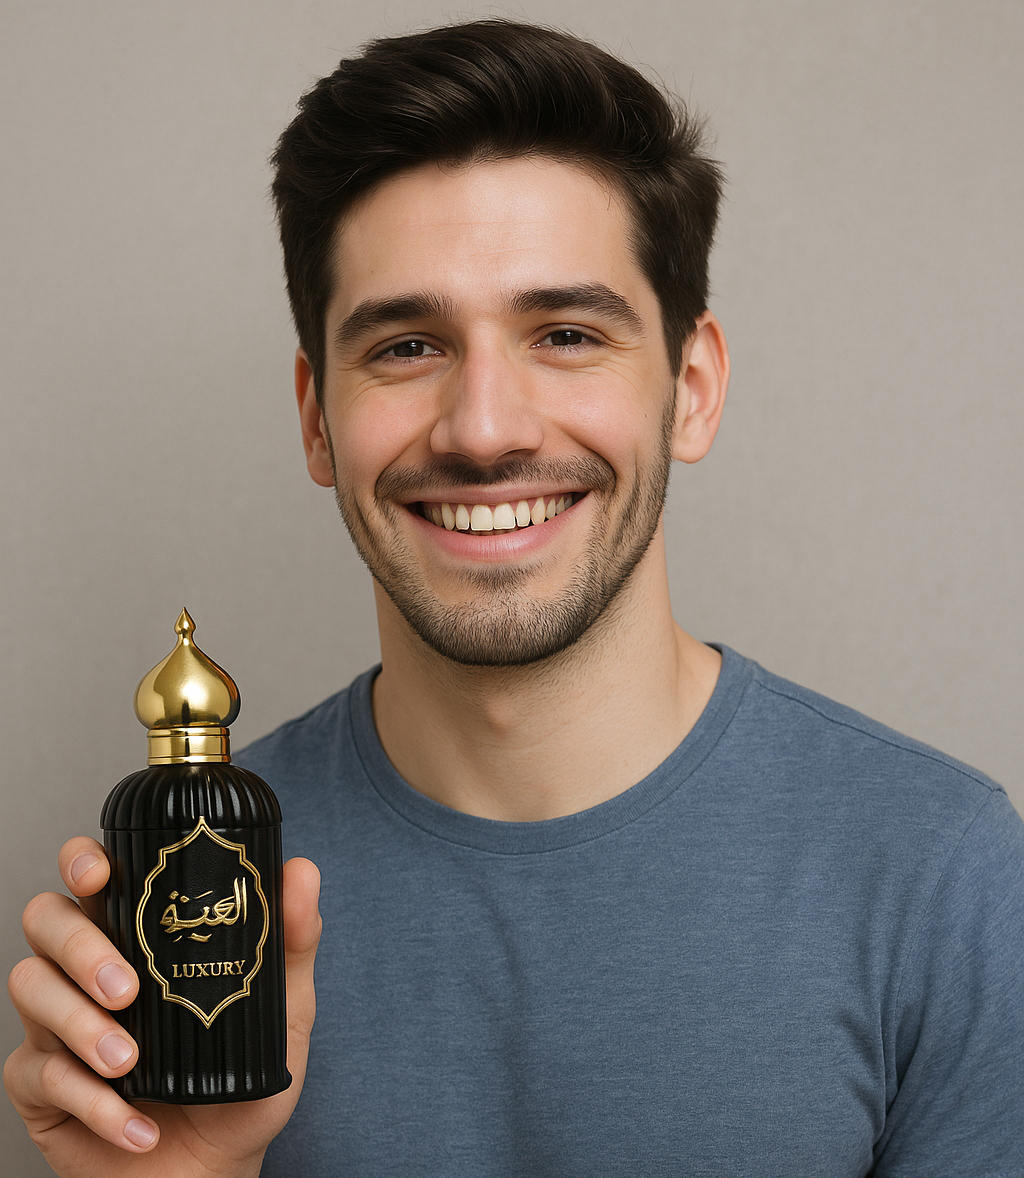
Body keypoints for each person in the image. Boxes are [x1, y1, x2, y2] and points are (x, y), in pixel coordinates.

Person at [5, 19, 1024, 1177]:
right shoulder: (189, 908)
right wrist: (180, 1172)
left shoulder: (942, 876)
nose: (485, 427)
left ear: (689, 390)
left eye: (567, 333)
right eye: (405, 345)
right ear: (314, 419)